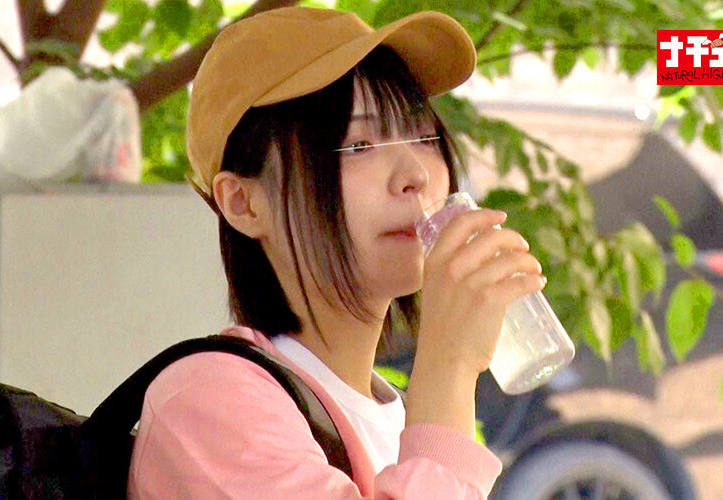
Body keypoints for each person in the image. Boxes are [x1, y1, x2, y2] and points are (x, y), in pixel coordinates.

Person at [128, 6, 546, 499]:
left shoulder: (401, 417)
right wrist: (449, 363)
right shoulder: (209, 400)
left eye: (424, 137)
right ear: (243, 203)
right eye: (359, 145)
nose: (415, 174)